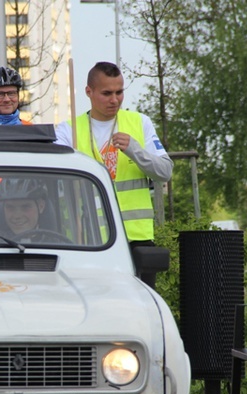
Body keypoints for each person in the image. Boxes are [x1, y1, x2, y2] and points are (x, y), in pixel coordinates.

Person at [55, 61, 173, 287]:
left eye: (119, 92)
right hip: (89, 241)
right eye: (107, 93)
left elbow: (165, 172)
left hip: (136, 238)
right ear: (88, 92)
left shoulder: (139, 123)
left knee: (140, 309)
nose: (114, 100)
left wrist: (135, 150)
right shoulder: (68, 131)